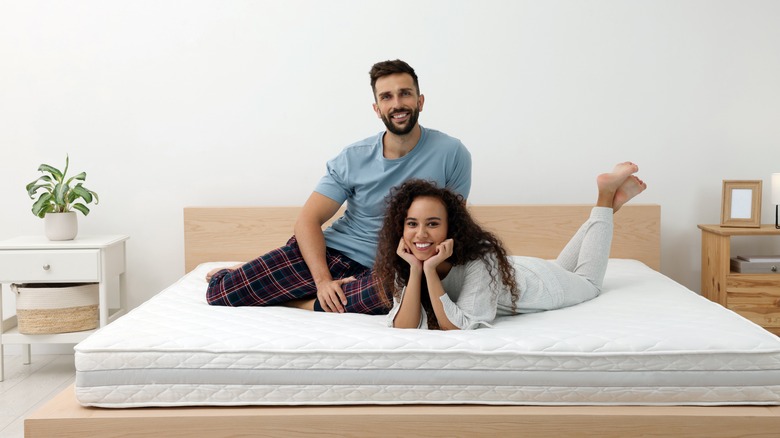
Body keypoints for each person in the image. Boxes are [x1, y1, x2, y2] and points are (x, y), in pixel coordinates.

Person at [205, 59, 472, 315]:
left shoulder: (452, 153)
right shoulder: (353, 157)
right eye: (387, 97)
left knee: (398, 298)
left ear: (420, 101)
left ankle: (296, 300)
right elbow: (307, 220)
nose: (397, 103)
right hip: (336, 253)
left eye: (405, 94)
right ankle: (250, 273)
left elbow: (452, 225)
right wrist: (322, 281)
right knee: (221, 293)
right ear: (377, 108)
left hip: (394, 268)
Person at [374, 162, 647, 330]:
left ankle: (605, 196)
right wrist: (416, 270)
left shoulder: (478, 259)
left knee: (589, 283)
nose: (420, 233)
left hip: (541, 287)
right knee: (566, 269)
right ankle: (608, 208)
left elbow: (456, 325)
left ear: (450, 228)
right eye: (412, 224)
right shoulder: (409, 260)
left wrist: (431, 272)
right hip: (525, 270)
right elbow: (404, 325)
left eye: (432, 224)